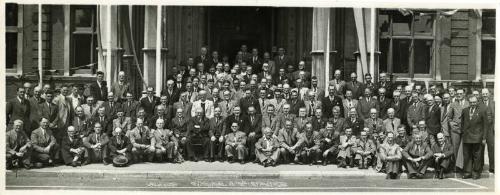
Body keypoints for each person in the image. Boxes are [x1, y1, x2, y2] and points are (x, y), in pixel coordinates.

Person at [461, 96, 487, 180]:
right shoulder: (465, 110)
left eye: (474, 102)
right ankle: (467, 172)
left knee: (477, 156)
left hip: (477, 137)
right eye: (471, 102)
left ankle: (476, 173)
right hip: (467, 137)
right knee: (467, 156)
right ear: (469, 102)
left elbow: (485, 125)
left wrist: (484, 138)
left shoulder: (482, 111)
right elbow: (462, 123)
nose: (473, 104)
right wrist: (463, 133)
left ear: (477, 102)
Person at [480, 88, 494, 173]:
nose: (485, 95)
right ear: (481, 95)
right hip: (481, 130)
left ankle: (492, 167)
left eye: (486, 93)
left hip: (491, 130)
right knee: (481, 148)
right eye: (483, 94)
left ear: (489, 94)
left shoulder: (494, 103)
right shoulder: (479, 104)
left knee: (491, 149)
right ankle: (480, 166)